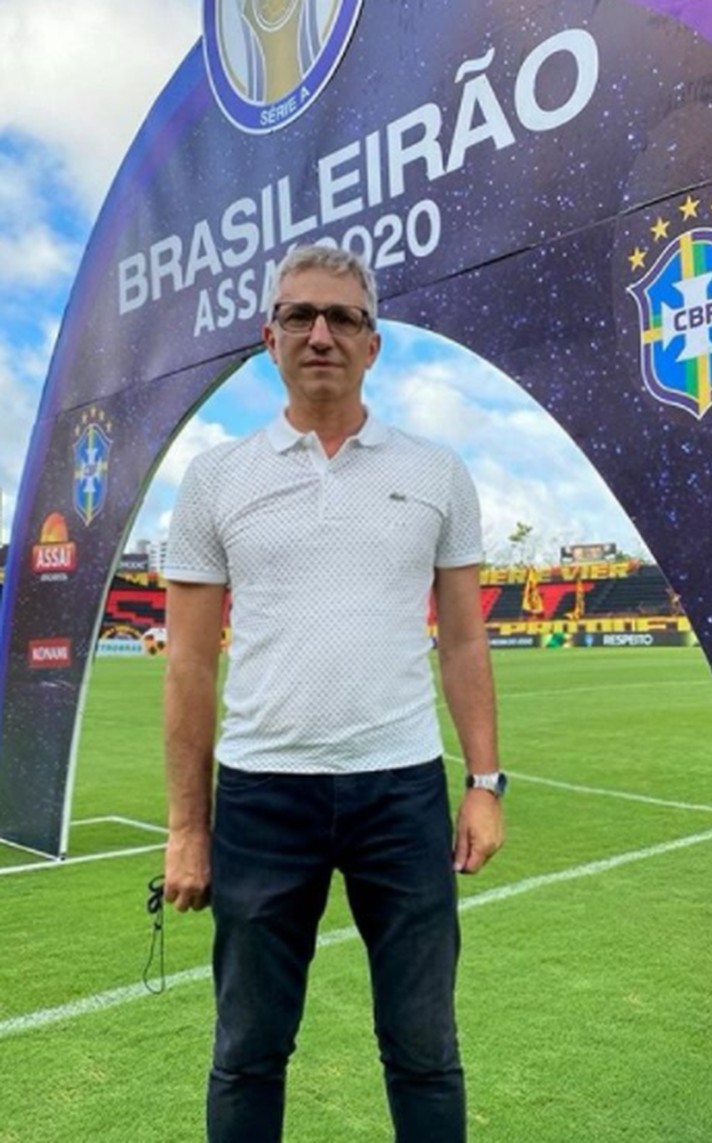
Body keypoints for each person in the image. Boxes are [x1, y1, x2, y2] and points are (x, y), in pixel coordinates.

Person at [162, 244, 505, 1143]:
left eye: (343, 318)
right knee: (248, 1049)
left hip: (401, 791)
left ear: (373, 342)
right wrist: (188, 828)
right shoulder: (215, 478)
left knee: (424, 1046)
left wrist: (484, 782)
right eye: (300, 316)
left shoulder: (436, 472)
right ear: (269, 336)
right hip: (263, 796)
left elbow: (464, 639)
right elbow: (189, 665)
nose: (321, 334)